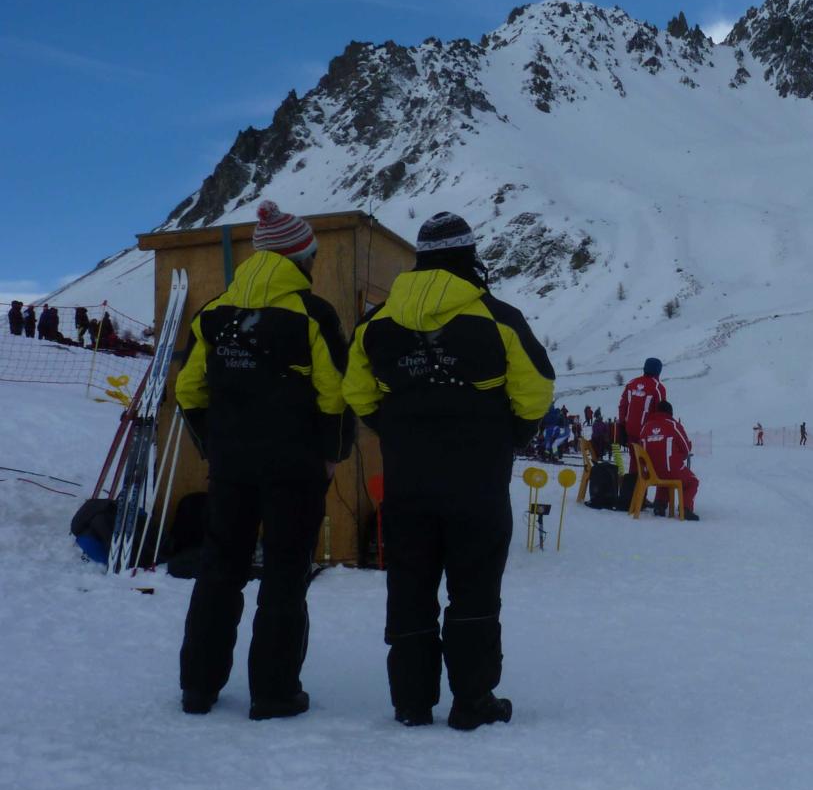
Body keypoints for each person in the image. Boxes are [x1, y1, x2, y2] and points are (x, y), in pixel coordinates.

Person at [345, 211, 554, 730]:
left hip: (408, 482)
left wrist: (392, 427)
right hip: (477, 482)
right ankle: (472, 702)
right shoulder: (499, 318)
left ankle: (412, 702)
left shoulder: (376, 323)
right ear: (468, 256)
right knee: (475, 588)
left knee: (410, 587)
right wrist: (510, 435)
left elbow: (356, 392)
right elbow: (536, 391)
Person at [176, 201, 354, 722]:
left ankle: (198, 687)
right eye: (312, 256)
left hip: (231, 468)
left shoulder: (213, 314)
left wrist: (214, 447)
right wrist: (331, 454)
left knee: (219, 570)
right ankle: (273, 693)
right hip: (295, 468)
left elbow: (188, 390)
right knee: (283, 575)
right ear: (300, 258)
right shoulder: (312, 313)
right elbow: (336, 394)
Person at [642, 400, 700, 520]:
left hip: (649, 472)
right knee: (692, 481)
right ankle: (686, 508)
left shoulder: (646, 427)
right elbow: (686, 448)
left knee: (661, 472)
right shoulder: (673, 425)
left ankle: (660, 503)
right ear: (670, 413)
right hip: (670, 471)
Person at [618, 358, 666, 480]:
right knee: (645, 464)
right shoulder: (658, 388)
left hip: (630, 430)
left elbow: (623, 406)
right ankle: (640, 496)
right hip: (647, 433)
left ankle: (631, 494)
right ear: (658, 371)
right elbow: (661, 413)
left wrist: (622, 425)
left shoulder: (631, 384)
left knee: (634, 462)